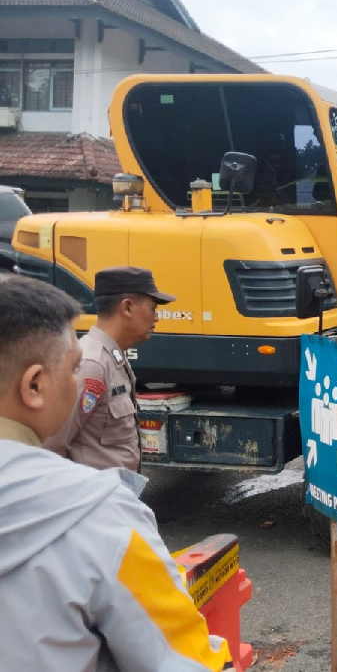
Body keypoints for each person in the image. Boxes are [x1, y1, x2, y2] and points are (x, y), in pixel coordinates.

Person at [0, 277, 230, 670]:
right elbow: (181, 659)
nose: (157, 316)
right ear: (35, 385)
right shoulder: (100, 522)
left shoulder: (113, 356)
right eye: (69, 371)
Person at [44, 266, 175, 473]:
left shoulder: (112, 355)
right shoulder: (91, 363)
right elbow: (52, 443)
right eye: (153, 308)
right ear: (128, 308)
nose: (156, 317)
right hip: (94, 500)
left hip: (114, 496)